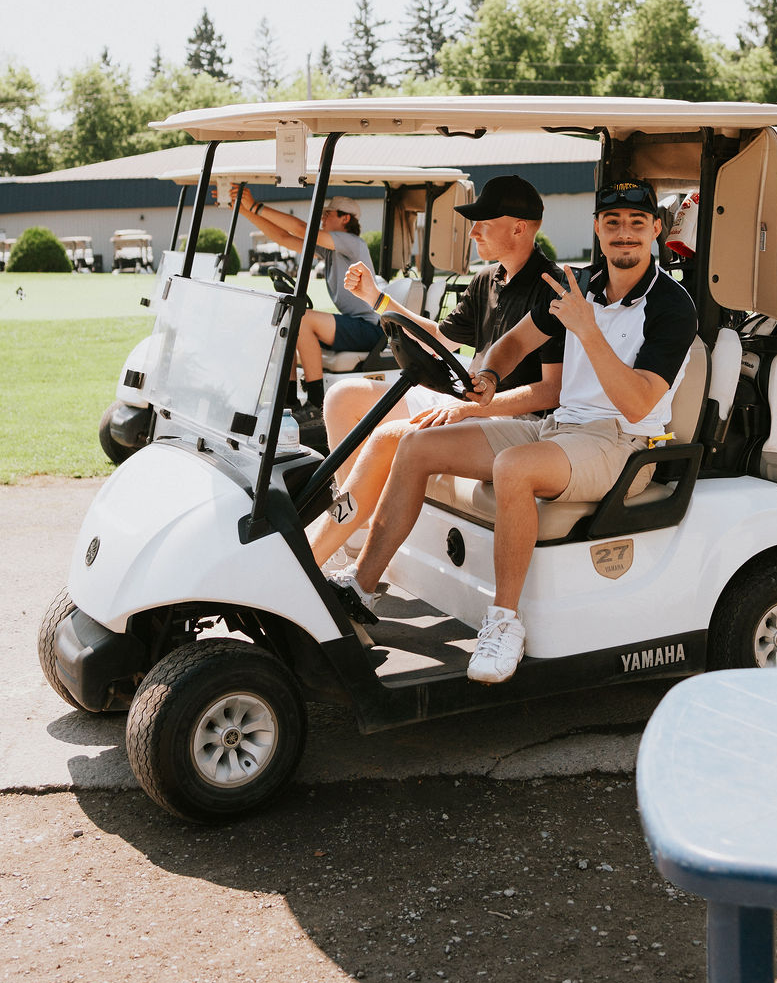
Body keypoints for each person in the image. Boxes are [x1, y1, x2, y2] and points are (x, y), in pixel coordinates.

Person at [333, 178, 697, 685]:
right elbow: (513, 343)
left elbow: (637, 401)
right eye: (612, 222)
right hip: (560, 428)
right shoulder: (577, 286)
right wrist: (488, 377)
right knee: (416, 445)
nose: (624, 234)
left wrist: (587, 329)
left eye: (637, 223)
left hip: (624, 442)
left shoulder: (672, 306)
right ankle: (360, 588)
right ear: (598, 228)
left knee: (513, 468)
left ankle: (504, 621)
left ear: (656, 229)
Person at [307, 175, 563, 569]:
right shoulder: (487, 279)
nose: (473, 233)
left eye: (484, 224)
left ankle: (324, 554)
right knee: (343, 397)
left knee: (391, 437)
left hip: (509, 416)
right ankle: (354, 532)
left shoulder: (552, 289)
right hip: (466, 398)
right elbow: (440, 339)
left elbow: (550, 392)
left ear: (519, 228)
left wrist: (470, 408)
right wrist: (376, 298)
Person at [231, 187, 378, 412]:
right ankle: (289, 399)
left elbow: (301, 229)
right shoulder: (331, 251)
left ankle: (317, 404)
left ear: (345, 218)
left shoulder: (352, 243)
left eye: (328, 214)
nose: (323, 218)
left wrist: (255, 206)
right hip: (354, 325)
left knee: (303, 318)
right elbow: (284, 238)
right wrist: (243, 211)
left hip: (369, 329)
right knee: (289, 320)